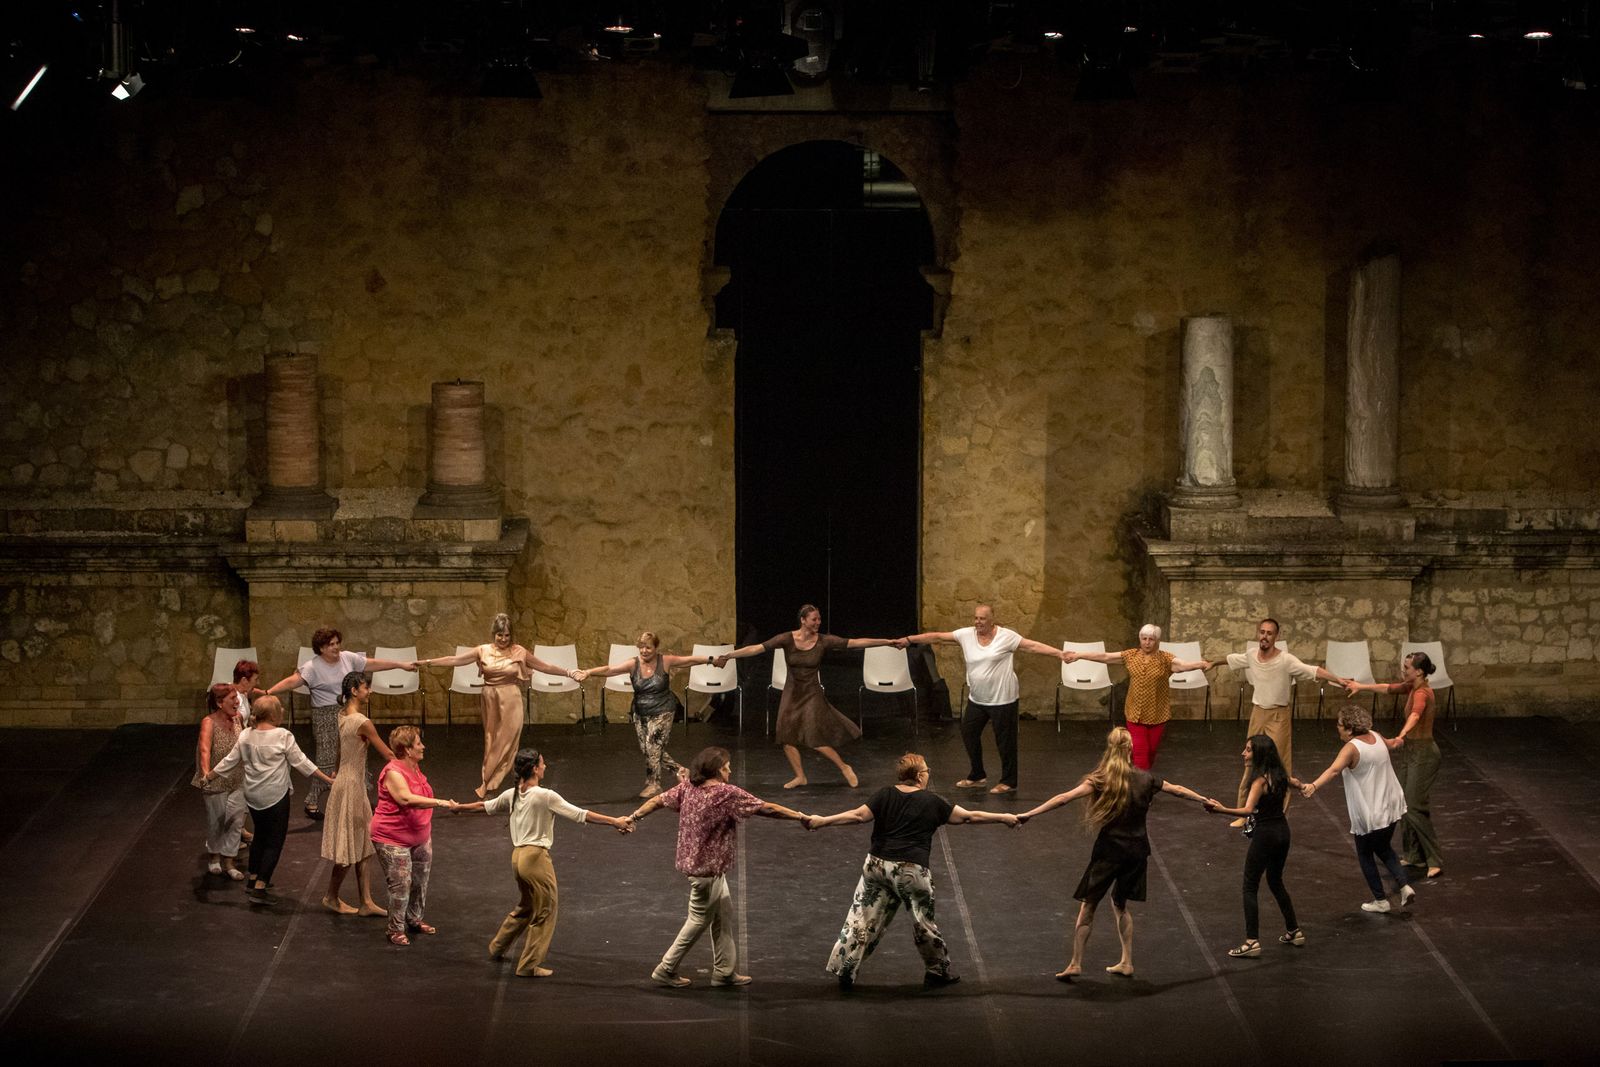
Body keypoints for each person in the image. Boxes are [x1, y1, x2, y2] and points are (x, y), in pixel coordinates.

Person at [804, 753, 1018, 990]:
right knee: (922, 921)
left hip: (876, 866)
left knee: (860, 918)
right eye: (926, 771)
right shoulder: (933, 801)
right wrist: (1004, 817)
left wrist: (822, 821)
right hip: (910, 871)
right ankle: (937, 971)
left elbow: (857, 816)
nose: (928, 774)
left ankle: (845, 968)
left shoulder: (885, 794)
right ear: (918, 776)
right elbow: (969, 817)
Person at [1016, 726, 1211, 978]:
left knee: (1088, 906)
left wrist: (1029, 814)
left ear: (1110, 749)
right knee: (1120, 904)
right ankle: (1126, 961)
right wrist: (1204, 799)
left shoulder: (1100, 779)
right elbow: (1178, 790)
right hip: (1137, 851)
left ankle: (1076, 963)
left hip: (1110, 851)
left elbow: (1064, 798)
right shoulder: (1146, 779)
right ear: (1131, 749)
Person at [628, 746, 807, 987]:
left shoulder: (687, 788)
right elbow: (768, 809)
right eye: (727, 767)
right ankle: (666, 968)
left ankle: (724, 971)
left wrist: (634, 817)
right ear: (717, 770)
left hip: (700, 866)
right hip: (707, 871)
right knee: (698, 920)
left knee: (723, 914)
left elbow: (657, 801)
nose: (730, 771)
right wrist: (801, 817)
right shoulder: (725, 793)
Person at [455, 747, 633, 977]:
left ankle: (498, 946)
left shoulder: (512, 794)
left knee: (527, 905)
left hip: (517, 858)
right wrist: (614, 821)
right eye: (542, 763)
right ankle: (529, 965)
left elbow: (484, 806)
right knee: (546, 910)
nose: (545, 766)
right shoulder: (545, 795)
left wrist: (459, 807)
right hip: (535, 858)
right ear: (534, 769)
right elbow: (581, 814)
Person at [717, 604, 906, 789]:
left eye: (819, 619)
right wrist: (730, 655)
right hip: (792, 693)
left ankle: (844, 767)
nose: (818, 622)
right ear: (803, 620)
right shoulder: (786, 639)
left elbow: (855, 643)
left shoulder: (823, 641)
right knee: (786, 738)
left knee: (814, 738)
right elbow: (757, 648)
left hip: (812, 693)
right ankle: (800, 776)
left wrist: (887, 642)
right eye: (814, 619)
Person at [905, 604, 1069, 794]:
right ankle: (977, 775)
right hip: (978, 699)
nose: (978, 622)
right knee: (968, 732)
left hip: (1003, 699)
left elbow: (1032, 646)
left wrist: (1060, 654)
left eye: (982, 618)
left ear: (992, 620)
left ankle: (1009, 781)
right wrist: (909, 640)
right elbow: (937, 637)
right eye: (976, 618)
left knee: (1005, 742)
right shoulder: (966, 635)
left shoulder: (1006, 637)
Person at [420, 613, 578, 798]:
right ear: (494, 634)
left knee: (507, 741)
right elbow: (455, 660)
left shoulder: (519, 651)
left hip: (511, 698)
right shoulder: (483, 650)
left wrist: (569, 672)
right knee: (492, 742)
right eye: (500, 635)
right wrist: (428, 663)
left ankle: (490, 783)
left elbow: (545, 666)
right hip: (490, 698)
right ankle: (490, 781)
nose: (503, 639)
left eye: (507, 635)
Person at [263, 628, 416, 818]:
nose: (336, 647)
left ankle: (358, 799)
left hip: (347, 713)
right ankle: (312, 800)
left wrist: (400, 665)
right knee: (327, 761)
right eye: (331, 645)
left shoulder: (348, 658)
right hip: (325, 717)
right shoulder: (312, 667)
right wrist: (268, 693)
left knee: (355, 756)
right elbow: (292, 682)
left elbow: (373, 664)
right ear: (321, 648)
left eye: (337, 643)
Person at [204, 696, 335, 906]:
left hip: (253, 795)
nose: (282, 710)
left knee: (260, 836)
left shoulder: (246, 734)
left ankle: (253, 877)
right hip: (274, 796)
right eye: (279, 708)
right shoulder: (282, 736)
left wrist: (210, 776)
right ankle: (260, 886)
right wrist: (327, 779)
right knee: (274, 841)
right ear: (273, 714)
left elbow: (230, 761)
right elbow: (302, 762)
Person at [1221, 618, 1349, 826]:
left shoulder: (1286, 660)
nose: (1264, 636)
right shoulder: (1252, 655)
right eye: (1262, 632)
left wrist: (1339, 680)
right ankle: (1242, 814)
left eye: (1269, 633)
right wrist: (1209, 663)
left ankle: (1279, 814)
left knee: (1281, 765)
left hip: (1278, 716)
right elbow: (1230, 659)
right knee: (1250, 761)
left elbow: (1313, 670)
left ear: (1276, 636)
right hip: (1257, 713)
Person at [1299, 705, 1416, 913]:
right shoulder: (1376, 736)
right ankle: (1404, 886)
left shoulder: (1351, 748)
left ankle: (1380, 900)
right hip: (1390, 805)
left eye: (1340, 724)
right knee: (1383, 847)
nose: (1337, 727)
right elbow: (1391, 744)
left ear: (1349, 729)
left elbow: (1334, 770)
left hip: (1371, 810)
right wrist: (1399, 741)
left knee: (1364, 853)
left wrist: (1314, 786)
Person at [575, 632, 716, 798]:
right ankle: (679, 770)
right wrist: (588, 672)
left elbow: (689, 660)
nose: (644, 651)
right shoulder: (633, 664)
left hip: (663, 710)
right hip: (640, 712)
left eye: (648, 647)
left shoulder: (665, 661)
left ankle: (653, 784)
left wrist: (712, 660)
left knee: (652, 746)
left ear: (656, 648)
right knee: (648, 749)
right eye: (641, 647)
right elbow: (610, 670)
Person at [1203, 734, 1303, 957]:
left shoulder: (1260, 782)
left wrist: (1220, 809)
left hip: (1266, 835)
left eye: (1248, 750)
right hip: (1283, 832)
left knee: (1249, 885)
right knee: (1275, 881)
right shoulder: (1280, 776)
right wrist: (1305, 787)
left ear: (1259, 754)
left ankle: (1252, 941)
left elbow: (1247, 810)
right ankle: (1294, 930)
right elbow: (1297, 784)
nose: (1243, 753)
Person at [1347, 652, 1443, 878]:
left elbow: (1415, 716)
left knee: (1414, 806)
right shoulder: (1411, 687)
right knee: (1405, 804)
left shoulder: (1422, 693)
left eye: (1407, 667)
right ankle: (1414, 855)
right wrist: (1361, 686)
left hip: (1424, 754)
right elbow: (1387, 688)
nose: (1403, 670)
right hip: (1411, 753)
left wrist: (1401, 735)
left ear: (1419, 671)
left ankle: (1434, 859)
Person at [1064, 625, 1212, 770]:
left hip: (1157, 714)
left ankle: (1136, 777)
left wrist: (1200, 664)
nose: (1147, 642)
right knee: (1141, 752)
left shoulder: (1166, 659)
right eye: (1144, 639)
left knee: (1151, 752)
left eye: (1151, 639)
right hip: (1135, 713)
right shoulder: (1131, 655)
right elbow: (1105, 656)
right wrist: (1079, 655)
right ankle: (1140, 781)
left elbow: (1183, 665)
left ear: (1157, 641)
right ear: (1140, 639)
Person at [370, 725, 458, 945]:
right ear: (408, 750)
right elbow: (405, 798)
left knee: (420, 882)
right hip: (392, 838)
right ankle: (395, 929)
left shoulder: (414, 768)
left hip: (420, 836)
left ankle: (414, 919)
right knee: (401, 885)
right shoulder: (393, 772)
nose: (423, 747)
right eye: (419, 743)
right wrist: (441, 802)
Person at [319, 671, 394, 916]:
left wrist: (335, 769)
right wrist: (408, 768)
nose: (369, 691)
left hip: (349, 783)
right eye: (365, 687)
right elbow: (387, 754)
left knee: (362, 843)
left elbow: (341, 749)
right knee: (347, 847)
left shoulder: (342, 714)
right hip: (350, 786)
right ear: (354, 691)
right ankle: (331, 896)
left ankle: (366, 902)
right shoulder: (362, 722)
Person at [192, 682, 247, 881]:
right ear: (219, 702)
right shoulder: (209, 722)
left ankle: (229, 862)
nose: (237, 702)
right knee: (217, 821)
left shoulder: (239, 718)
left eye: (236, 697)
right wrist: (206, 774)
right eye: (232, 699)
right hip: (216, 781)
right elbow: (204, 749)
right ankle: (214, 856)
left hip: (238, 778)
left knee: (236, 821)